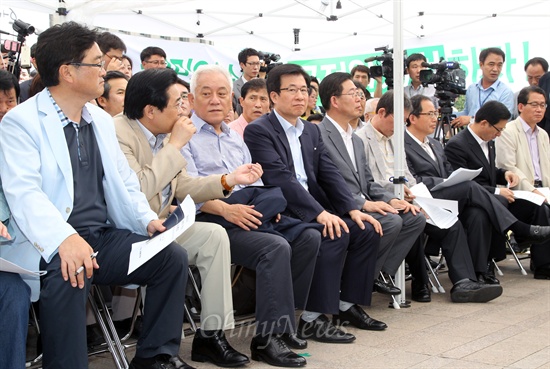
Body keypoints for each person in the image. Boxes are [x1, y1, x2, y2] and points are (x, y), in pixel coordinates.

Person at [0, 22, 190, 369]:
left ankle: (155, 358)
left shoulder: (101, 120)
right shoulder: (21, 123)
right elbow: (23, 193)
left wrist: (146, 220)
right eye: (98, 62)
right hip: (47, 243)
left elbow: (125, 183)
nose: (108, 70)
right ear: (68, 72)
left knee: (170, 257)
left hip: (100, 236)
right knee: (72, 268)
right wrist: (64, 238)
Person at [115, 67, 265, 366]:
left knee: (213, 235)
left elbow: (182, 185)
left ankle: (211, 334)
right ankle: (159, 349)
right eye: (178, 102)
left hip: (160, 222)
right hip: (128, 226)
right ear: (151, 110)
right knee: (173, 254)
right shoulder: (119, 132)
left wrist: (228, 180)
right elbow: (140, 189)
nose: (184, 109)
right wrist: (174, 145)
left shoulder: (164, 132)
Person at [183, 64, 320, 368]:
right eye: (206, 94)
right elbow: (184, 190)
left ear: (231, 98)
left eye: (222, 93)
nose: (215, 100)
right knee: (274, 247)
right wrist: (226, 208)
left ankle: (286, 324)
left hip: (249, 214)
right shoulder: (185, 137)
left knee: (309, 236)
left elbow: (256, 184)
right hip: (211, 221)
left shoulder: (235, 138)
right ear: (192, 100)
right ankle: (266, 339)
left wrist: (268, 211)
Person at [244, 64, 387, 345]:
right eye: (291, 90)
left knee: (366, 229)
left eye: (304, 90)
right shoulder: (259, 130)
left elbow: (328, 172)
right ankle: (312, 318)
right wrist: (321, 214)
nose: (300, 96)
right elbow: (281, 179)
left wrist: (352, 208)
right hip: (282, 209)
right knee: (334, 232)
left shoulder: (311, 130)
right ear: (273, 96)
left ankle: (346, 306)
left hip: (311, 206)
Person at [356, 91, 503, 303]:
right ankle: (415, 280)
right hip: (385, 201)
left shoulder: (395, 139)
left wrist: (416, 195)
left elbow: (406, 175)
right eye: (400, 120)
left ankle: (463, 283)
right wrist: (400, 194)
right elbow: (369, 181)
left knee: (451, 222)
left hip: (412, 197)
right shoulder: (362, 139)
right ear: (381, 113)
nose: (401, 126)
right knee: (417, 217)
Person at [403, 95, 550, 280]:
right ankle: (519, 229)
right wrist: (448, 182)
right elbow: (413, 180)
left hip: (457, 198)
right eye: (430, 113)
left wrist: (502, 174)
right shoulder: (404, 144)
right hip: (426, 198)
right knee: (475, 191)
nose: (435, 118)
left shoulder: (434, 144)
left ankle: (478, 274)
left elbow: (450, 173)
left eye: (436, 113)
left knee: (479, 214)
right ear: (413, 117)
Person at [317, 72, 426, 298]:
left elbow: (367, 182)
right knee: (391, 221)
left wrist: (389, 198)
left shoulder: (355, 140)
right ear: (334, 101)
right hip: (337, 207)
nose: (360, 99)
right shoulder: (318, 134)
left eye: (360, 94)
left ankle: (377, 275)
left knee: (414, 217)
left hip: (362, 203)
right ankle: (357, 282)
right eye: (354, 94)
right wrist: (364, 204)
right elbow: (324, 183)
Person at [495, 87, 550, 279]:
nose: (539, 109)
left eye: (543, 105)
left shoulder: (543, 134)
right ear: (520, 106)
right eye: (534, 104)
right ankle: (543, 266)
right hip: (517, 193)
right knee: (542, 207)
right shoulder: (508, 131)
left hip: (542, 188)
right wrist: (534, 190)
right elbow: (508, 167)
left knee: (544, 202)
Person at [0, 68, 31, 369]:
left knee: (14, 291)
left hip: (11, 252)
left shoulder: (21, 141)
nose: (5, 112)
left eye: (10, 102)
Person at [452, 47, 514, 128]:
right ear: (481, 65)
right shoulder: (472, 88)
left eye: (499, 65)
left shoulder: (506, 92)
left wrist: (472, 120)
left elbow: (503, 120)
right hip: (471, 137)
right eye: (491, 64)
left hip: (493, 138)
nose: (495, 69)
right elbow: (467, 112)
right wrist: (449, 114)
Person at [233, 48, 260, 115]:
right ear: (242, 65)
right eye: (252, 64)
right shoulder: (233, 87)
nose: (256, 67)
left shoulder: (265, 85)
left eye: (258, 63)